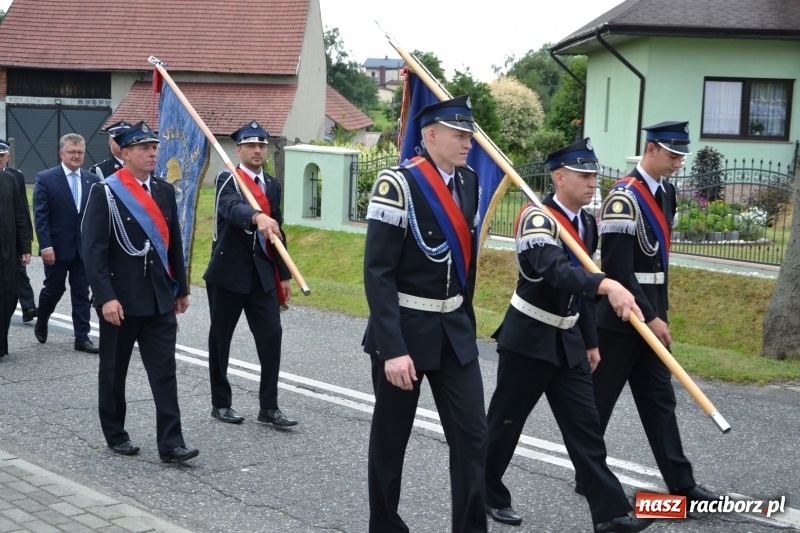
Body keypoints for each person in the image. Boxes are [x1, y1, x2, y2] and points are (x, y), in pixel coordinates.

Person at [484, 139, 654, 533]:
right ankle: (487, 492)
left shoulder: (587, 223)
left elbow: (580, 291)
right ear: (559, 178)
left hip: (569, 341)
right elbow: (557, 272)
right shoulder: (536, 218)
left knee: (585, 428)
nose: (593, 183)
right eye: (584, 175)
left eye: (595, 175)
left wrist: (591, 340)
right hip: (528, 339)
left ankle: (610, 514)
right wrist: (608, 285)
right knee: (505, 425)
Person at [363, 96, 487, 532]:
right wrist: (392, 349)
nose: (467, 142)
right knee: (392, 438)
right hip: (405, 329)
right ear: (430, 135)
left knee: (473, 435)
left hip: (453, 329)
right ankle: (385, 524)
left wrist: (467, 323)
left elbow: (463, 265)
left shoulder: (469, 181)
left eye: (469, 134)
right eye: (459, 134)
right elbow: (377, 273)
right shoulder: (397, 184)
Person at [587, 121, 716, 503]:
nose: (678, 162)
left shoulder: (668, 193)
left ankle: (682, 484)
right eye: (672, 155)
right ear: (651, 150)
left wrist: (660, 312)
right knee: (598, 404)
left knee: (660, 400)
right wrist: (650, 315)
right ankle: (588, 473)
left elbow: (657, 264)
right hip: (619, 322)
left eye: (681, 156)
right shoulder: (622, 198)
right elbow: (618, 270)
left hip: (652, 315)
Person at [81, 121, 198, 463]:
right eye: (144, 148)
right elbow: (94, 250)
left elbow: (173, 243)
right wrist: (105, 297)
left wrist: (181, 289)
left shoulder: (163, 190)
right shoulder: (106, 192)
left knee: (164, 371)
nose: (152, 153)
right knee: (114, 371)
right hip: (122, 299)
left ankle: (171, 444)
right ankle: (116, 433)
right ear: (126, 152)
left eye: (154, 148)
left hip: (159, 297)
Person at [203, 120, 296, 427]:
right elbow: (230, 208)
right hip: (228, 274)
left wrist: (283, 275)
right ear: (239, 149)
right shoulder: (228, 179)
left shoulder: (273, 185)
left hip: (262, 275)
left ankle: (269, 407)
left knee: (272, 337)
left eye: (262, 146)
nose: (258, 151)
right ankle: (221, 403)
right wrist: (256, 216)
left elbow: (278, 231)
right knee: (221, 339)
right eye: (251, 146)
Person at [32, 133, 99, 353]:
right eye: (72, 152)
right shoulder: (46, 178)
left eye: (80, 152)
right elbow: (41, 216)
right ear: (62, 153)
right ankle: (42, 319)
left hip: (84, 249)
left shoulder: (92, 180)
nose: (76, 156)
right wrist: (45, 246)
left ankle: (82, 337)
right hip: (57, 248)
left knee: (81, 292)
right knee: (54, 289)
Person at [0, 139, 36, 322]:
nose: (0, 159)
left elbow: (21, 208)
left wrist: (26, 241)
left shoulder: (15, 177)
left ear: (7, 157)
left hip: (11, 237)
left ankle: (28, 306)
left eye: (2, 156)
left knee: (17, 274)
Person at [0, 168, 32, 357]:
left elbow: (20, 216)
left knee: (8, 298)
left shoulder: (8, 180)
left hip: (7, 252)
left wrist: (25, 247)